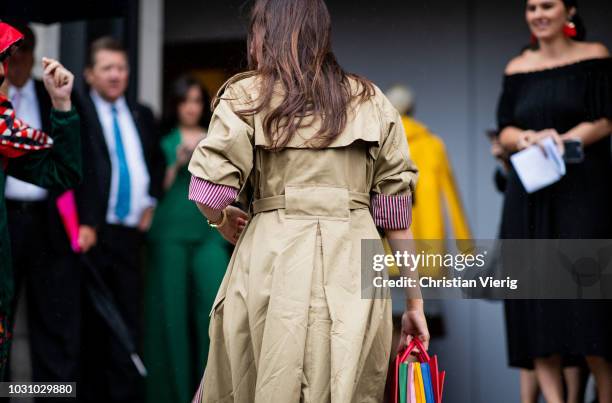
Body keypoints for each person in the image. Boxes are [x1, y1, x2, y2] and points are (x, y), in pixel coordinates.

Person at [188, 0, 429, 402]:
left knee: (258, 381)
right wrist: (414, 303)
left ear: (266, 32)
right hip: (355, 263)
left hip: (270, 259)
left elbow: (210, 189)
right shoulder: (371, 100)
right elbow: (396, 218)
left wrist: (221, 220)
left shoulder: (246, 95)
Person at [497, 1, 612, 402]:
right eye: (531, 7)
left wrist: (560, 141)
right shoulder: (516, 67)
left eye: (548, 5)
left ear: (571, 12)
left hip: (582, 195)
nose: (538, 14)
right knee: (536, 302)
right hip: (529, 196)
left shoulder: (595, 56)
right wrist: (528, 139)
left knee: (590, 305)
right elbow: (506, 128)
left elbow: (604, 119)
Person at [74, 37, 164, 403]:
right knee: (93, 326)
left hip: (130, 234)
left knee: (128, 322)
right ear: (90, 74)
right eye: (107, 68)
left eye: (121, 68)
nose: (115, 75)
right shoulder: (77, 113)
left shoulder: (140, 113)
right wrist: (84, 220)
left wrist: (151, 201)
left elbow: (155, 163)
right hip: (92, 233)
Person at [4, 23, 83, 394]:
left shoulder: (10, 129)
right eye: (4, 59)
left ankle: (52, 395)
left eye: (15, 58)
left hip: (42, 222)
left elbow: (64, 171)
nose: (9, 69)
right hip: (7, 223)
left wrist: (62, 104)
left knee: (52, 321)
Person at [144, 76, 230, 403]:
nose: (191, 107)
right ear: (176, 105)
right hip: (169, 230)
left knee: (213, 310)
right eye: (185, 101)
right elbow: (152, 189)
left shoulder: (218, 139)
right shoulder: (163, 140)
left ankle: (216, 393)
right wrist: (177, 160)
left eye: (196, 100)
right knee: (170, 317)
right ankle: (173, 395)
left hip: (210, 230)